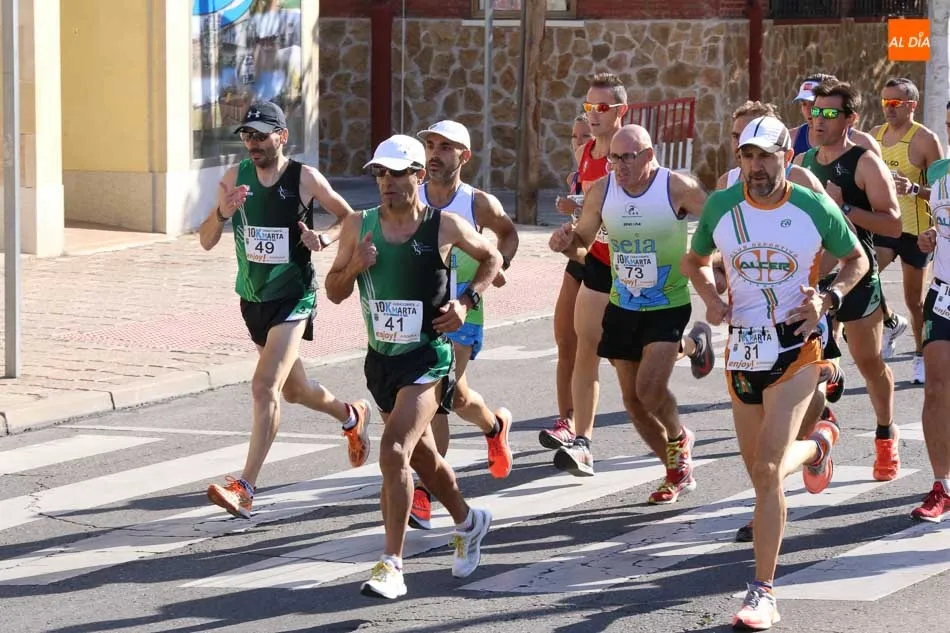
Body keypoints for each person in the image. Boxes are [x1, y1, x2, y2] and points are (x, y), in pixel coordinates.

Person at [684, 115, 869, 629]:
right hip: (743, 353)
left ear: (787, 156)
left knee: (767, 471)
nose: (756, 166)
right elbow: (694, 260)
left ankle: (762, 592)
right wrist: (711, 298)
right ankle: (819, 445)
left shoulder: (811, 206)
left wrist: (828, 298)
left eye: (766, 156)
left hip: (797, 349)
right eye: (748, 156)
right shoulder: (722, 207)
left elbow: (856, 259)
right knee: (760, 474)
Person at [325, 134, 499, 599]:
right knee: (423, 458)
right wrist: (355, 265)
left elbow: (492, 256)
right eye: (380, 173)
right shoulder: (359, 226)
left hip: (428, 358)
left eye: (397, 173)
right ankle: (469, 521)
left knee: (394, 451)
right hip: (382, 361)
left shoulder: (445, 226)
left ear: (419, 176)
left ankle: (392, 565)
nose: (387, 182)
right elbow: (334, 291)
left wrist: (466, 301)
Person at [198, 101, 371, 519]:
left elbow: (350, 218)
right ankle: (351, 415)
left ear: (282, 136)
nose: (253, 143)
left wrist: (325, 239)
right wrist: (222, 213)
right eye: (247, 136)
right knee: (294, 390)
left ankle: (245, 487)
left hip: (294, 298)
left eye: (261, 135)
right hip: (253, 299)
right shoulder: (234, 178)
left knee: (264, 387)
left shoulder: (303, 178)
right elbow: (205, 240)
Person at [540, 73, 713, 454]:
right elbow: (584, 231)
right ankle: (580, 436)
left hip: (652, 283)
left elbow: (707, 215)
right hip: (600, 263)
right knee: (582, 348)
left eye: (602, 107)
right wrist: (567, 239)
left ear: (622, 111)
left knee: (642, 378)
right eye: (589, 107)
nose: (593, 114)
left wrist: (705, 262)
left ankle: (689, 348)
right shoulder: (587, 157)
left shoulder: (658, 170)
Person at [408, 119, 517, 530]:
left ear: (464, 156)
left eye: (444, 147)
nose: (434, 154)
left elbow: (508, 235)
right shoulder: (412, 195)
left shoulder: (477, 203)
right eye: (430, 146)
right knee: (456, 398)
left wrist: (497, 268)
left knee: (437, 396)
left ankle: (424, 490)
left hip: (464, 311)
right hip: (421, 313)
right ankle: (494, 425)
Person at [794, 79, 903, 482]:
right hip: (812, 279)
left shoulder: (865, 162)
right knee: (804, 364)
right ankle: (819, 431)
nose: (817, 119)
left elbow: (893, 224)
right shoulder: (801, 162)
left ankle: (885, 434)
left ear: (850, 118)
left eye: (828, 113)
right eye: (814, 111)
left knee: (870, 362)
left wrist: (844, 208)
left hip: (855, 275)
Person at [870, 78, 945, 381]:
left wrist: (913, 188)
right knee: (864, 277)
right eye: (884, 102)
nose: (888, 108)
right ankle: (890, 321)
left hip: (916, 231)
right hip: (886, 224)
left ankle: (920, 355)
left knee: (914, 301)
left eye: (895, 103)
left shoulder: (926, 140)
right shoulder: (874, 136)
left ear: (912, 106)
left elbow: (942, 191)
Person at [546, 114, 593, 448]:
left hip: (612, 265)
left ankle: (691, 346)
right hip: (580, 261)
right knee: (566, 342)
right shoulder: (574, 176)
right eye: (575, 136)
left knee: (626, 358)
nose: (579, 143)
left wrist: (575, 205)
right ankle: (567, 422)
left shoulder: (614, 168)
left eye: (585, 136)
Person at [912, 140, 950, 521]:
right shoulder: (940, 173)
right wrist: (929, 238)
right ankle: (943, 485)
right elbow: (939, 226)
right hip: (943, 295)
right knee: (936, 390)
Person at [789, 73, 881, 158]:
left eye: (813, 104)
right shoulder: (791, 139)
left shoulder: (864, 144)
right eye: (804, 104)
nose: (808, 111)